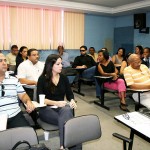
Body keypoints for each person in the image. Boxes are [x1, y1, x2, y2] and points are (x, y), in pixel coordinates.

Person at [37, 54, 77, 150]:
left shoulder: (63, 78)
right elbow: (40, 100)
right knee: (67, 121)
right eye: (58, 64)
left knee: (67, 111)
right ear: (50, 65)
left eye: (61, 64)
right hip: (46, 109)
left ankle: (63, 146)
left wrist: (72, 101)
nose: (61, 66)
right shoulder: (42, 79)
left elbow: (69, 94)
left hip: (61, 108)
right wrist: (56, 103)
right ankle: (67, 145)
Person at [0, 53, 35, 128]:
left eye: (5, 60)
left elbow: (23, 95)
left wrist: (28, 101)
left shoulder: (14, 80)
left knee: (27, 136)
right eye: (0, 61)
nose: (4, 63)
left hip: (15, 114)